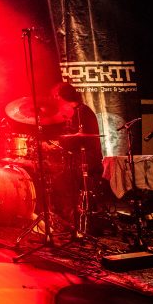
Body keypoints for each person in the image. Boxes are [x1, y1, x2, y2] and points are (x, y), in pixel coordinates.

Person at [50, 81, 104, 229]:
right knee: (56, 176)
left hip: (87, 159)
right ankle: (68, 217)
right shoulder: (70, 113)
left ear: (59, 96)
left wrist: (57, 144)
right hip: (75, 158)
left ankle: (72, 217)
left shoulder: (82, 112)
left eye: (55, 96)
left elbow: (82, 138)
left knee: (60, 181)